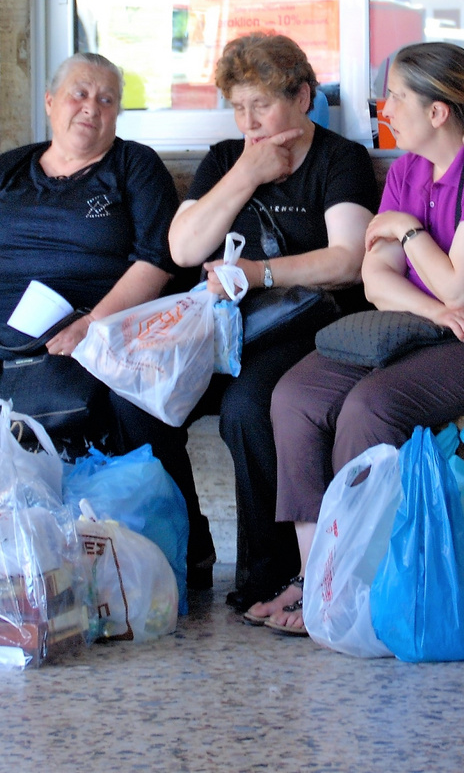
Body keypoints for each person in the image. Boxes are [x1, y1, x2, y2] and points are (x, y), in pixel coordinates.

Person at [262, 41, 464, 634]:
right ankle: (318, 577)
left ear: (437, 112)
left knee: (375, 406)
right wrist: (439, 311)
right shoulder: (406, 170)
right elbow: (377, 280)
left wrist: (409, 230)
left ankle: (362, 582)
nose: (384, 106)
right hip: (438, 330)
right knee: (294, 397)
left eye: (396, 95)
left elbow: (460, 284)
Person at [0, 53, 201, 571]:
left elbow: (154, 263)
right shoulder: (4, 172)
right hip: (4, 340)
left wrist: (91, 326)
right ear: (50, 103)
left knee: (134, 404)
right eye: (79, 93)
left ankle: (165, 554)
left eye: (106, 99)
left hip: (105, 332)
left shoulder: (134, 167)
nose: (91, 107)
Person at [162, 32, 378, 617]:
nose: (249, 120)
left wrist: (259, 274)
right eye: (238, 107)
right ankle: (183, 553)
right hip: (225, 329)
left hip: (309, 325)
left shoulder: (339, 160)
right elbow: (183, 248)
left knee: (249, 405)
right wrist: (246, 174)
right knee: (142, 402)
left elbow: (347, 259)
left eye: (262, 104)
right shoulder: (226, 159)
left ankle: (272, 574)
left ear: (303, 96)